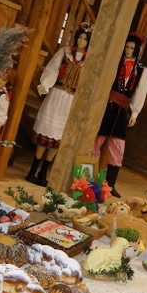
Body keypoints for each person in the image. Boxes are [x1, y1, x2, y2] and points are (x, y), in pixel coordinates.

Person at [26, 22, 93, 186]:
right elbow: (52, 69)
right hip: (56, 96)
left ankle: (44, 171)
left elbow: (88, 84)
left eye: (85, 39)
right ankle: (33, 169)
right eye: (80, 38)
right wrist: (45, 84)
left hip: (70, 102)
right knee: (46, 133)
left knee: (58, 137)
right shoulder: (64, 52)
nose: (82, 41)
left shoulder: (89, 61)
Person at [91, 32, 147, 198]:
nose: (128, 50)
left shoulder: (142, 70)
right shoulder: (115, 62)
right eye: (127, 47)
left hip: (122, 111)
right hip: (107, 107)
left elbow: (141, 91)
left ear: (137, 50)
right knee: (96, 141)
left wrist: (135, 112)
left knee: (118, 146)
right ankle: (89, 180)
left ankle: (110, 185)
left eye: (131, 48)